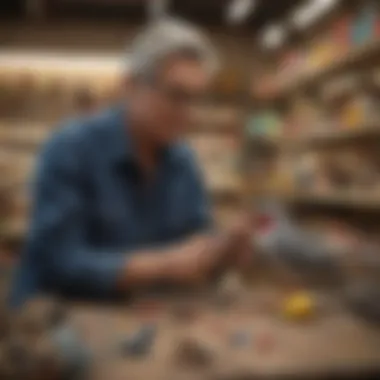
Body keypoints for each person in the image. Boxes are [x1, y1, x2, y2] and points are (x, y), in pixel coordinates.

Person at [10, 19, 252, 306]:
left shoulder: (182, 161)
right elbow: (56, 261)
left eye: (196, 100)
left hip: (132, 315)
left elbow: (196, 241)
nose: (189, 114)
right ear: (130, 86)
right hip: (55, 318)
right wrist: (164, 265)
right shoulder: (70, 149)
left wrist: (220, 253)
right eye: (177, 96)